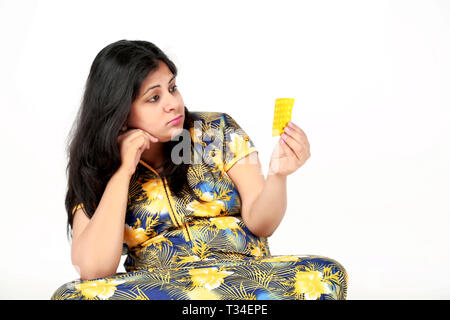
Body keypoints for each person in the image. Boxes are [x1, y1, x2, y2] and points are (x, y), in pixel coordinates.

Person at [51, 40, 348, 300]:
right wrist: (122, 170)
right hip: (162, 289)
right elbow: (93, 270)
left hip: (243, 281)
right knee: (71, 296)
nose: (173, 104)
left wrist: (278, 175)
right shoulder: (96, 168)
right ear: (119, 111)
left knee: (325, 273)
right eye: (154, 98)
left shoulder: (215, 130)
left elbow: (262, 223)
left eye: (172, 88)